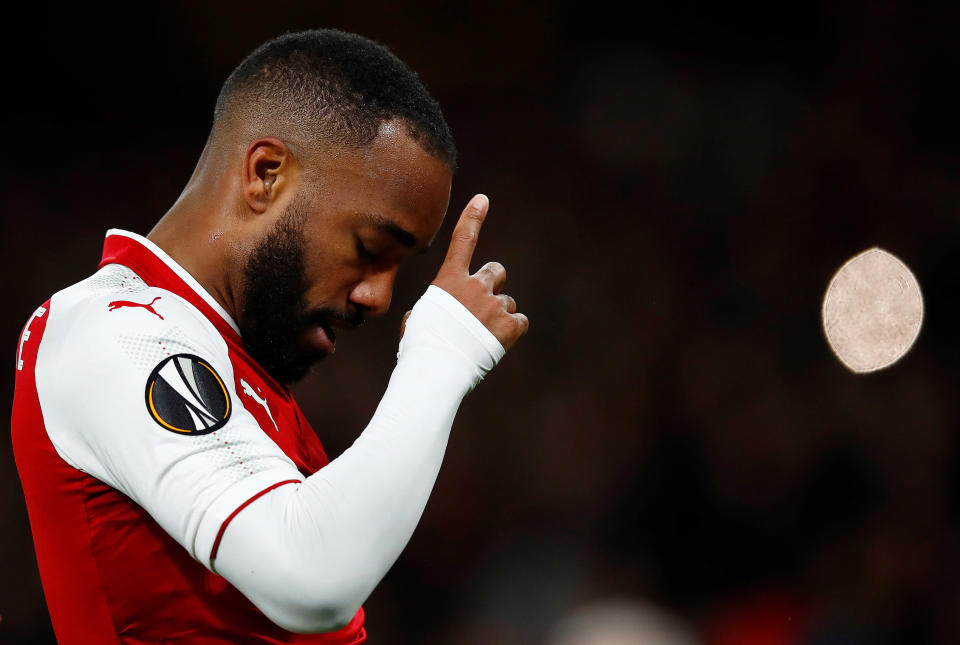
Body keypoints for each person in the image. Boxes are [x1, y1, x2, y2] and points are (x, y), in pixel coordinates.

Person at [11, 29, 528, 644]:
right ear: (265, 174)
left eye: (399, 268)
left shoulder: (240, 375)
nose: (380, 298)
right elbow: (311, 580)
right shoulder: (114, 328)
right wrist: (443, 353)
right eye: (369, 249)